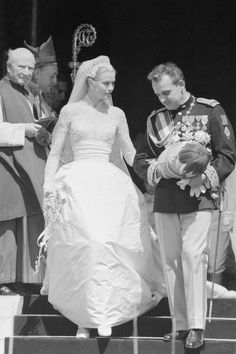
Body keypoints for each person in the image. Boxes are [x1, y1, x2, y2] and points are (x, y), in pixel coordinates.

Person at [38, 56, 165, 338]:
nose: (110, 88)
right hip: (78, 182)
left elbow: (129, 153)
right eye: (106, 83)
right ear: (90, 82)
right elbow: (56, 152)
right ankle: (85, 317)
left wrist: (155, 168)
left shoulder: (116, 114)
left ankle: (105, 312)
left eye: (113, 83)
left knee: (108, 245)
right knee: (85, 245)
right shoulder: (70, 112)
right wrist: (48, 184)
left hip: (109, 185)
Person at [133, 62, 236, 349]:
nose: (162, 99)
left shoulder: (210, 110)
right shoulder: (156, 119)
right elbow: (141, 159)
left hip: (199, 197)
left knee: (192, 256)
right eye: (158, 94)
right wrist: (159, 170)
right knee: (171, 262)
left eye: (166, 92)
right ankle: (179, 325)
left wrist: (203, 177)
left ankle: (196, 326)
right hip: (166, 198)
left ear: (181, 84)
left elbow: (227, 155)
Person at [0, 48, 48, 295]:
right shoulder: (0, 90)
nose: (26, 72)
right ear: (9, 67)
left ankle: (32, 277)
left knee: (33, 217)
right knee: (10, 220)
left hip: (33, 163)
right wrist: (24, 130)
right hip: (7, 164)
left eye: (30, 68)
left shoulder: (32, 92)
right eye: (21, 67)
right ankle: (4, 279)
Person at [24, 36, 58, 122]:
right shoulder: (24, 98)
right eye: (52, 76)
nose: (55, 82)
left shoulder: (40, 97)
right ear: (37, 74)